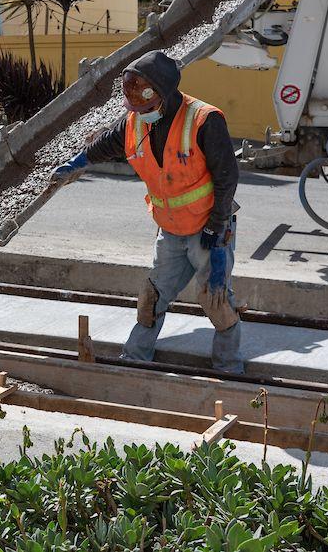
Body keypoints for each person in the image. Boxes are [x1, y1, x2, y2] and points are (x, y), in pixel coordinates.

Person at [52, 50, 243, 373]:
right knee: (151, 297)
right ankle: (134, 360)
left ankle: (229, 369)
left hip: (207, 231)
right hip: (170, 231)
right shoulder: (134, 122)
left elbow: (227, 176)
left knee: (216, 302)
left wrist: (218, 222)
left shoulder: (203, 120)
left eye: (148, 107)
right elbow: (105, 146)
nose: (142, 114)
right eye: (137, 109)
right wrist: (77, 165)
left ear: (166, 96)